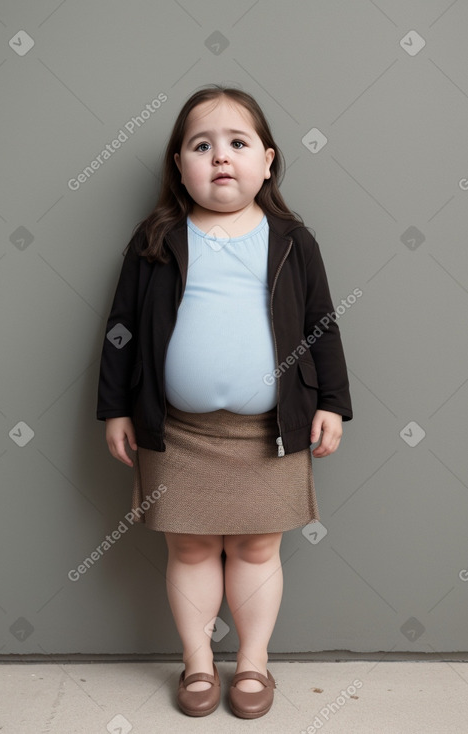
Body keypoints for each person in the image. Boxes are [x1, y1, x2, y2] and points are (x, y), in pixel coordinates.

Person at [96, 84, 353, 719]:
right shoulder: (157, 238)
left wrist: (332, 402)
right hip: (176, 431)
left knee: (259, 548)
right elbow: (121, 326)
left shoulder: (292, 239)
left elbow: (323, 323)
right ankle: (199, 664)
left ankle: (255, 665)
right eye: (201, 145)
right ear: (178, 166)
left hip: (271, 431)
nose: (220, 157)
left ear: (267, 161)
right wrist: (117, 408)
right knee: (187, 547)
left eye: (237, 144)